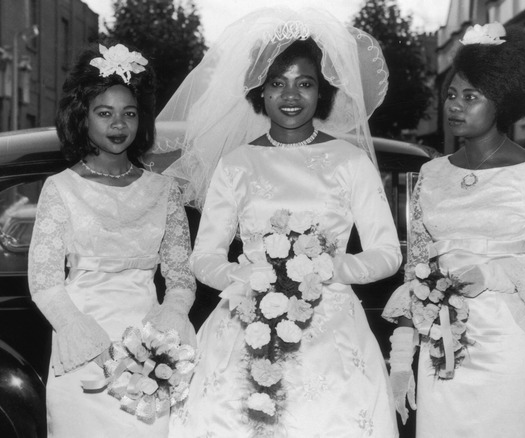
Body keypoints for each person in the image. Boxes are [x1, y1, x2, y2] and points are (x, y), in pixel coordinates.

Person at [153, 7, 401, 437]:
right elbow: (204, 257)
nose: (291, 95)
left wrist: (327, 270)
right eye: (277, 83)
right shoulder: (236, 163)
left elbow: (387, 254)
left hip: (331, 328)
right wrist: (247, 275)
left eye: (304, 83)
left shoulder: (350, 161)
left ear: (321, 92)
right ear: (260, 92)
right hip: (245, 316)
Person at [382, 23, 525, 437]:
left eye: (471, 97)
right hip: (441, 350)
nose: (455, 106)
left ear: (503, 102)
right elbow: (416, 272)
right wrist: (403, 360)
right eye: (452, 95)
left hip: (507, 349)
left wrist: (494, 274)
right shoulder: (431, 174)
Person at [27, 41, 196, 437]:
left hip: (151, 349)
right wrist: (83, 335)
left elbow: (181, 278)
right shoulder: (60, 188)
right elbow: (45, 281)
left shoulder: (164, 190)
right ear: (83, 118)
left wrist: (165, 330)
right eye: (105, 113)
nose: (118, 125)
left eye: (128, 114)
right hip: (80, 344)